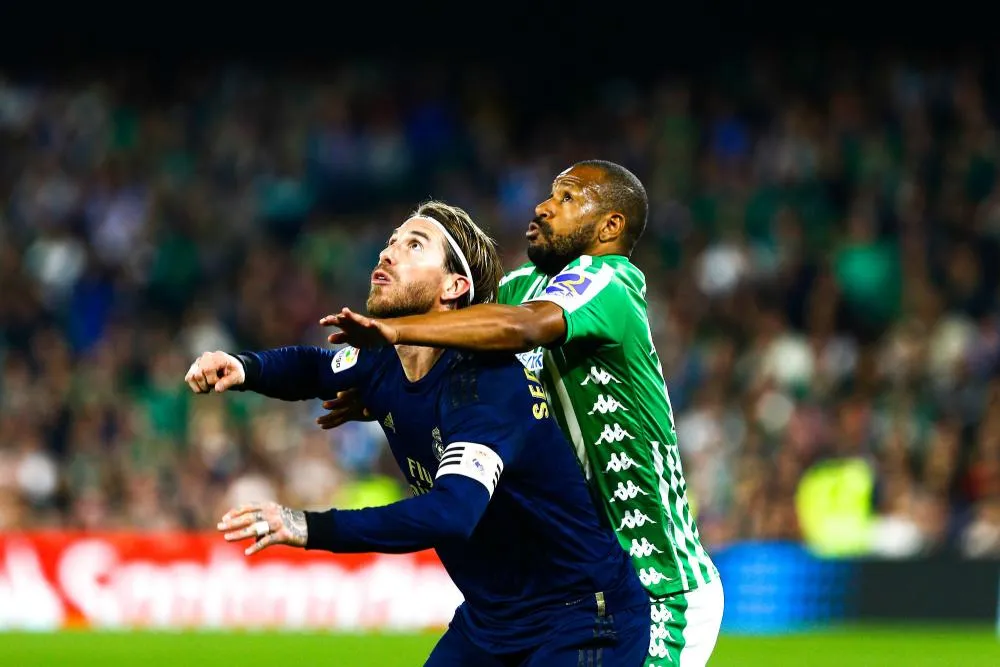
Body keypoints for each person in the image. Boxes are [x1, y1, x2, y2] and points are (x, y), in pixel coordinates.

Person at [185, 201, 650, 667]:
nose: (387, 253)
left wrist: (309, 526)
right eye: (391, 242)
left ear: (454, 286)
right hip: (491, 622)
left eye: (414, 245)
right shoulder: (383, 359)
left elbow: (450, 512)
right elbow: (317, 367)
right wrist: (245, 368)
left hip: (581, 616)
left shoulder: (487, 384)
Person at [321, 161, 723, 667]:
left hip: (659, 585)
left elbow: (522, 328)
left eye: (568, 197)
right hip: (573, 586)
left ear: (610, 226)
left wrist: (397, 330)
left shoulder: (609, 282)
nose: (543, 206)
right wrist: (386, 391)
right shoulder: (520, 288)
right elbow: (459, 342)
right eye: (550, 193)